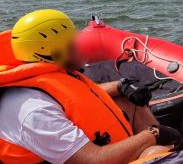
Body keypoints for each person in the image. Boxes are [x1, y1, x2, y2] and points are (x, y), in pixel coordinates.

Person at [0, 9, 174, 164]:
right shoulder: (33, 111)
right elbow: (91, 160)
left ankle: (166, 145)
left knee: (128, 102)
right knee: (159, 154)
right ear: (56, 51)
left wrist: (121, 86)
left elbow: (75, 97)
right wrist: (152, 133)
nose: (80, 46)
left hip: (93, 149)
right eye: (72, 43)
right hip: (90, 158)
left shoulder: (51, 75)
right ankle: (166, 148)